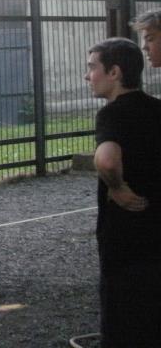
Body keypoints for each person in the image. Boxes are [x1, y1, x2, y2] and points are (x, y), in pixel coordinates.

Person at [86, 37, 161, 347]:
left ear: (114, 72)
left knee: (122, 321)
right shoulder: (157, 108)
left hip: (124, 237)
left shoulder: (112, 114)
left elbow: (106, 159)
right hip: (156, 230)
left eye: (92, 67)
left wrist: (116, 187)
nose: (88, 76)